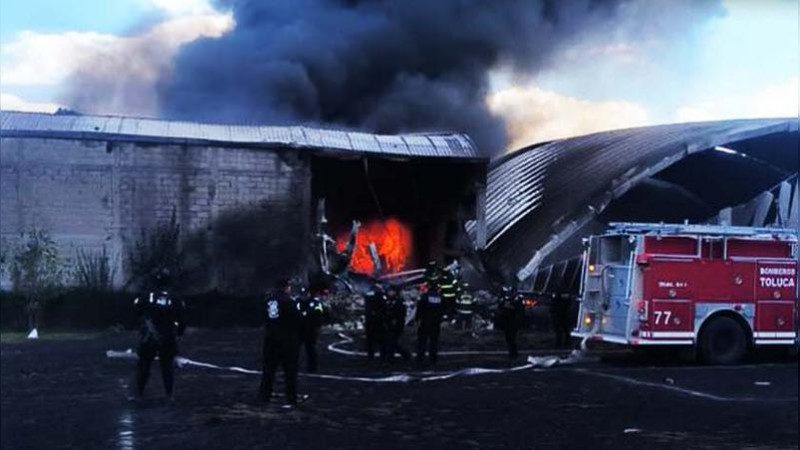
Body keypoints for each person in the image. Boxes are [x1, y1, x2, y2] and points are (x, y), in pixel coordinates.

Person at [134, 270, 186, 400]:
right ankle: (169, 395)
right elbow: (182, 318)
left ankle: (139, 393)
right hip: (167, 336)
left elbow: (137, 310)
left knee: (144, 365)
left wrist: (141, 327)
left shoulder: (146, 295)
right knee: (167, 367)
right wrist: (179, 333)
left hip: (149, 336)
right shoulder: (175, 298)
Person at [258, 279, 301, 408]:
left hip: (271, 338)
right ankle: (291, 398)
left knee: (269, 370)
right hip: (287, 340)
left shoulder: (269, 301)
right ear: (286, 287)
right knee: (290, 371)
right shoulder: (289, 302)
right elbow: (297, 320)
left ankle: (264, 395)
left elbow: (264, 317)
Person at [297, 282, 329, 373]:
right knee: (295, 349)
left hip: (310, 329)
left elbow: (320, 315)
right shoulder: (297, 302)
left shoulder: (315, 303)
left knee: (310, 349)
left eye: (305, 294)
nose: (304, 296)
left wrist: (317, 326)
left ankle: (312, 367)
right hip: (299, 329)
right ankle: (295, 366)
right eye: (302, 294)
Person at [416, 285, 444, 364]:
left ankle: (420, 358)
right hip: (435, 323)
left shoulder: (424, 296)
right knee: (434, 342)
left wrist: (417, 319)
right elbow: (442, 309)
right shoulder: (440, 297)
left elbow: (419, 308)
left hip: (425, 322)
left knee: (422, 341)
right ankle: (433, 359)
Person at [381, 285, 411, 362]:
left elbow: (401, 313)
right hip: (389, 324)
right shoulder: (387, 301)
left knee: (391, 341)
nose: (389, 293)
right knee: (390, 341)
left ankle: (394, 356)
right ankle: (402, 354)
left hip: (397, 324)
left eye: (391, 291)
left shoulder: (399, 301)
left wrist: (395, 321)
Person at [495, 286, 524, 359]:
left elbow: (518, 310)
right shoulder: (507, 300)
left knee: (512, 338)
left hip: (513, 322)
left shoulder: (516, 300)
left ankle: (513, 353)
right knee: (509, 338)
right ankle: (512, 353)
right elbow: (501, 308)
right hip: (507, 322)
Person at [364, 284, 387, 359]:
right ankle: (382, 355)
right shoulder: (379, 294)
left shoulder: (368, 294)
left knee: (371, 340)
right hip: (378, 320)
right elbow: (383, 307)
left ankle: (371, 355)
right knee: (381, 339)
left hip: (370, 320)